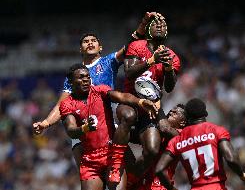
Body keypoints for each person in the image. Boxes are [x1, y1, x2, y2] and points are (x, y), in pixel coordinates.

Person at [32, 12, 164, 168]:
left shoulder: (108, 62)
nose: (90, 43)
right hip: (82, 129)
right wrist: (46, 123)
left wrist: (143, 24)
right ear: (80, 49)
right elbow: (62, 105)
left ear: (100, 47)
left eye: (93, 40)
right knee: (88, 174)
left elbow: (131, 44)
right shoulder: (74, 76)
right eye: (85, 41)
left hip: (107, 123)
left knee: (130, 168)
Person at [59, 63, 158, 190]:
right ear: (71, 82)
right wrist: (84, 128)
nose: (86, 80)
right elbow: (71, 130)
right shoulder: (67, 104)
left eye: (88, 77)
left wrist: (140, 102)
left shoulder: (100, 90)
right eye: (81, 77)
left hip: (111, 155)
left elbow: (121, 96)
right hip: (90, 161)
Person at [109, 15, 181, 183]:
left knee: (152, 149)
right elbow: (129, 72)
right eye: (155, 24)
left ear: (166, 31)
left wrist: (169, 68)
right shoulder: (137, 46)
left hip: (152, 105)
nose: (159, 26)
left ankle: (135, 176)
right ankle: (115, 164)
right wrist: (151, 60)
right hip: (129, 100)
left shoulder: (172, 55)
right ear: (148, 29)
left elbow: (169, 87)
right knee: (128, 116)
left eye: (163, 24)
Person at [155, 98, 245, 190]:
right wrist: (243, 175)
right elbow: (231, 159)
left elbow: (159, 169)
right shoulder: (217, 131)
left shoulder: (177, 140)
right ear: (205, 114)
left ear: (188, 117)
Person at [127, 104, 187, 190]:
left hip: (158, 185)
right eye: (171, 110)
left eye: (175, 113)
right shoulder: (158, 132)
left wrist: (156, 104)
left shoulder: (181, 135)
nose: (171, 112)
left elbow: (165, 128)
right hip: (141, 182)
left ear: (182, 122)